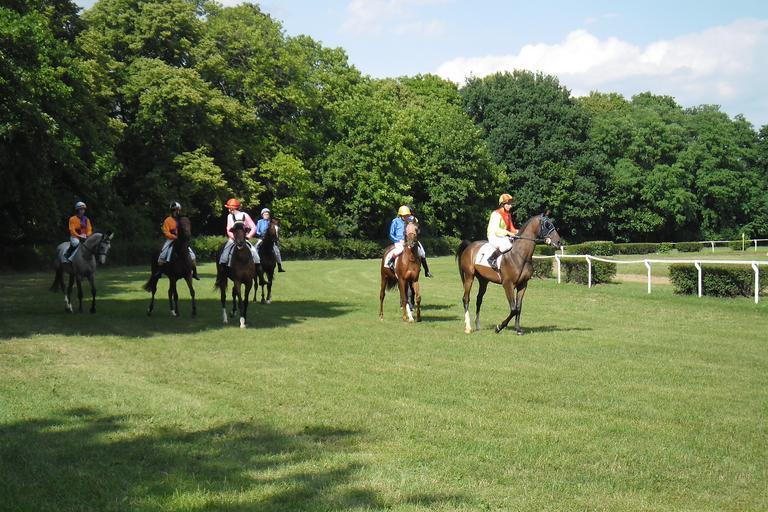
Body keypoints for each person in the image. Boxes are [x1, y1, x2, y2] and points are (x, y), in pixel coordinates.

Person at [157, 201, 199, 279]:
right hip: (171, 240)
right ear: (172, 211)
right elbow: (166, 232)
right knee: (162, 254)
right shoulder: (167, 220)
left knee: (192, 256)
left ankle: (194, 272)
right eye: (174, 210)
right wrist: (173, 236)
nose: (176, 212)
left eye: (177, 210)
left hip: (181, 241)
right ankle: (159, 271)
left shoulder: (182, 219)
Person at [218, 198, 259, 266]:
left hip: (244, 239)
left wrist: (248, 236)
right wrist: (234, 237)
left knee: (255, 254)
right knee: (224, 256)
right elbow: (228, 229)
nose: (228, 209)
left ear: (232, 208)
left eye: (229, 208)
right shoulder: (229, 216)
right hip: (233, 239)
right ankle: (223, 269)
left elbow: (253, 227)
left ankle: (258, 269)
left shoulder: (245, 215)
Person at [486, 193, 518, 272]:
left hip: (502, 236)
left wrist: (520, 232)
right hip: (493, 236)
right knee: (507, 245)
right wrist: (508, 233)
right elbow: (496, 229)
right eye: (508, 204)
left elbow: (512, 229)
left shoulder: (508, 215)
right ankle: (491, 258)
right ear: (502, 204)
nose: (511, 206)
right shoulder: (496, 214)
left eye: (511, 204)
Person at [255, 208, 285, 272]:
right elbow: (257, 231)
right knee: (256, 247)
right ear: (262, 215)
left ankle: (279, 266)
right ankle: (255, 263)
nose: (266, 215)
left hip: (270, 240)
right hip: (261, 238)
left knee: (276, 251)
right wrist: (261, 234)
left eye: (267, 214)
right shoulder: (260, 222)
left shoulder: (271, 222)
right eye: (265, 214)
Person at [384, 205, 413, 272]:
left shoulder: (410, 220)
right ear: (400, 215)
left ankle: (424, 268)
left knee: (420, 251)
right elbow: (391, 234)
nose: (406, 217)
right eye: (404, 215)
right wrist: (398, 240)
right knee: (400, 249)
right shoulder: (395, 221)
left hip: (409, 241)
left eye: (407, 215)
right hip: (399, 241)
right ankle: (391, 262)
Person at [406, 207, 433, 278]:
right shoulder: (404, 219)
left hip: (414, 240)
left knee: (422, 253)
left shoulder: (415, 219)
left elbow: (418, 229)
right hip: (405, 240)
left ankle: (427, 271)